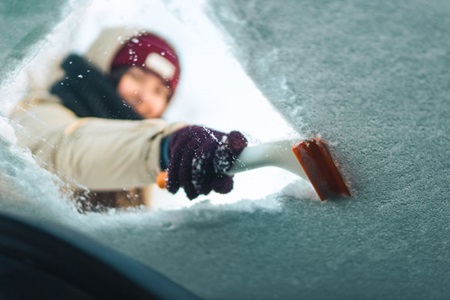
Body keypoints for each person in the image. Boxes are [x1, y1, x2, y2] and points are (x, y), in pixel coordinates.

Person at [9, 27, 247, 211]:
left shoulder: (152, 178)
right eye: (136, 77)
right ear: (107, 71)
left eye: (160, 92)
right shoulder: (39, 112)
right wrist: (163, 147)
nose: (145, 96)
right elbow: (67, 151)